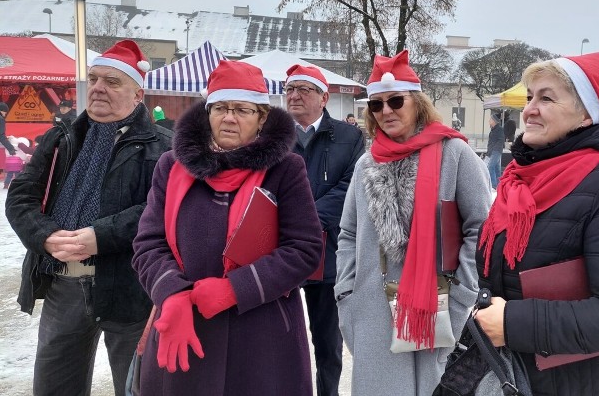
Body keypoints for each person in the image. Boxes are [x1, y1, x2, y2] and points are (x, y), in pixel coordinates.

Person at [474, 53, 599, 396]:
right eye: (530, 96)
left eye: (546, 98)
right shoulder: (520, 181)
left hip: (584, 384)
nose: (530, 108)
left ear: (584, 114)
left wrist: (511, 322)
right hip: (516, 377)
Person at [132, 60, 323, 394]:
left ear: (262, 117)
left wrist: (235, 288)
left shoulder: (286, 169)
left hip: (262, 336)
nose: (230, 117)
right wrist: (170, 294)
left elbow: (304, 250)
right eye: (220, 107)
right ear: (208, 113)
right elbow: (149, 242)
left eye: (242, 110)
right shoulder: (171, 167)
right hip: (185, 327)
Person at [4, 40, 172, 395]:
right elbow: (21, 197)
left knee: (139, 387)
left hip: (131, 288)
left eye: (112, 82)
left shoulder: (164, 147)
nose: (98, 88)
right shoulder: (61, 138)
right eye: (94, 78)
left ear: (137, 93)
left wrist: (100, 235)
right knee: (54, 387)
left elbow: (162, 208)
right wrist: (45, 236)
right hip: (62, 283)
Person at [335, 49, 491, 395]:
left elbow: (481, 228)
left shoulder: (455, 154)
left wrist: (461, 296)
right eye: (376, 104)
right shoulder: (366, 164)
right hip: (373, 311)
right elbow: (347, 233)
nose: (386, 111)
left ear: (417, 101)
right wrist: (347, 293)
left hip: (435, 308)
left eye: (395, 101)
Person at [285, 64, 365, 396]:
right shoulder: (271, 136)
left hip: (328, 255)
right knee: (283, 340)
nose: (295, 95)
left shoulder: (349, 136)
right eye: (290, 89)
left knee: (327, 343)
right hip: (281, 253)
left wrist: (302, 221)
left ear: (324, 97)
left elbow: (349, 188)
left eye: (304, 89)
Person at [486, 111, 505, 189]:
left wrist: (494, 149)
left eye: (490, 119)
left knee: (490, 167)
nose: (489, 121)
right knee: (497, 169)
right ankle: (499, 185)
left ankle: (494, 185)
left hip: (496, 151)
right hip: (494, 151)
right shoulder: (493, 130)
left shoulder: (499, 129)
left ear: (494, 121)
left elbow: (500, 140)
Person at [0, 101, 15, 179]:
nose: (5, 114)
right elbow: (1, 136)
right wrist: (11, 148)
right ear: (2, 110)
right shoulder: (0, 119)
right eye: (5, 112)